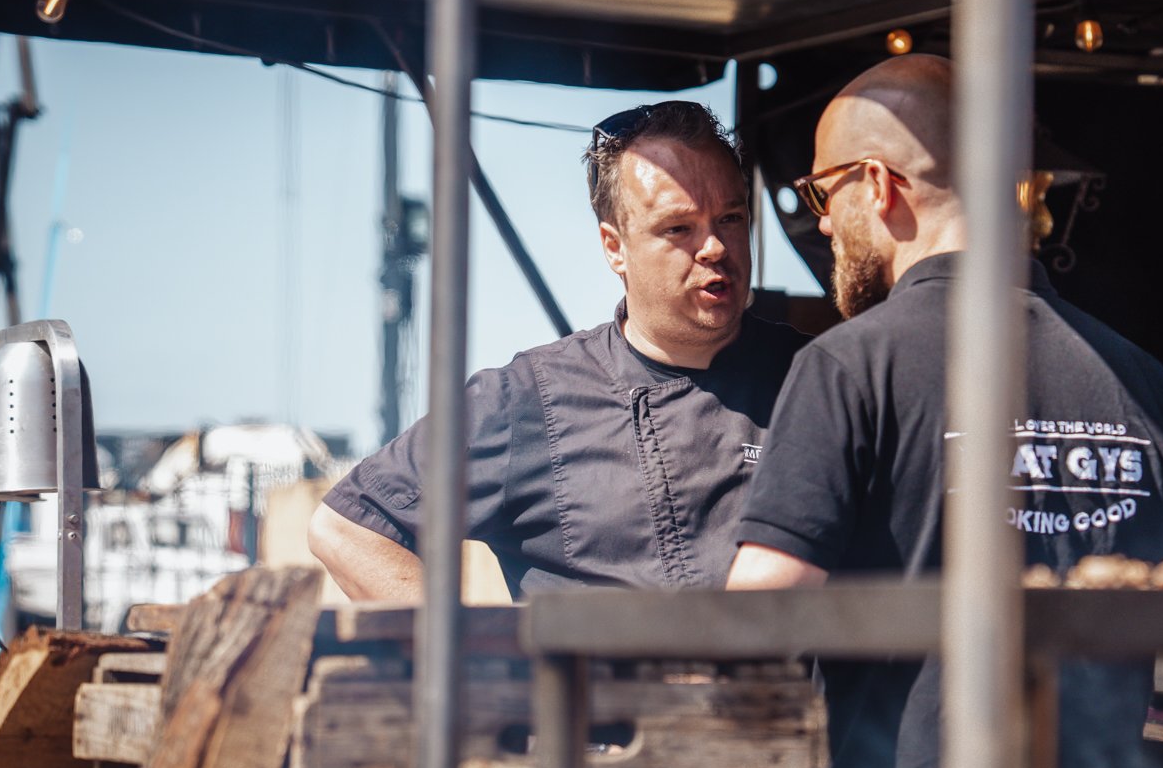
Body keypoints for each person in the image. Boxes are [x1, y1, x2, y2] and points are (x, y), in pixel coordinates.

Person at [726, 54, 1163, 768]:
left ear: (880, 183)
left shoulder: (848, 368)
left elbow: (757, 625)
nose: (823, 225)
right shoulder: (1143, 385)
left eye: (824, 196)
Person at [310, 99, 806, 602]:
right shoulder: (527, 400)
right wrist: (477, 668)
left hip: (789, 683)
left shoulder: (818, 378)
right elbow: (348, 530)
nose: (715, 247)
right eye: (679, 228)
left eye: (730, 218)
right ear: (615, 247)